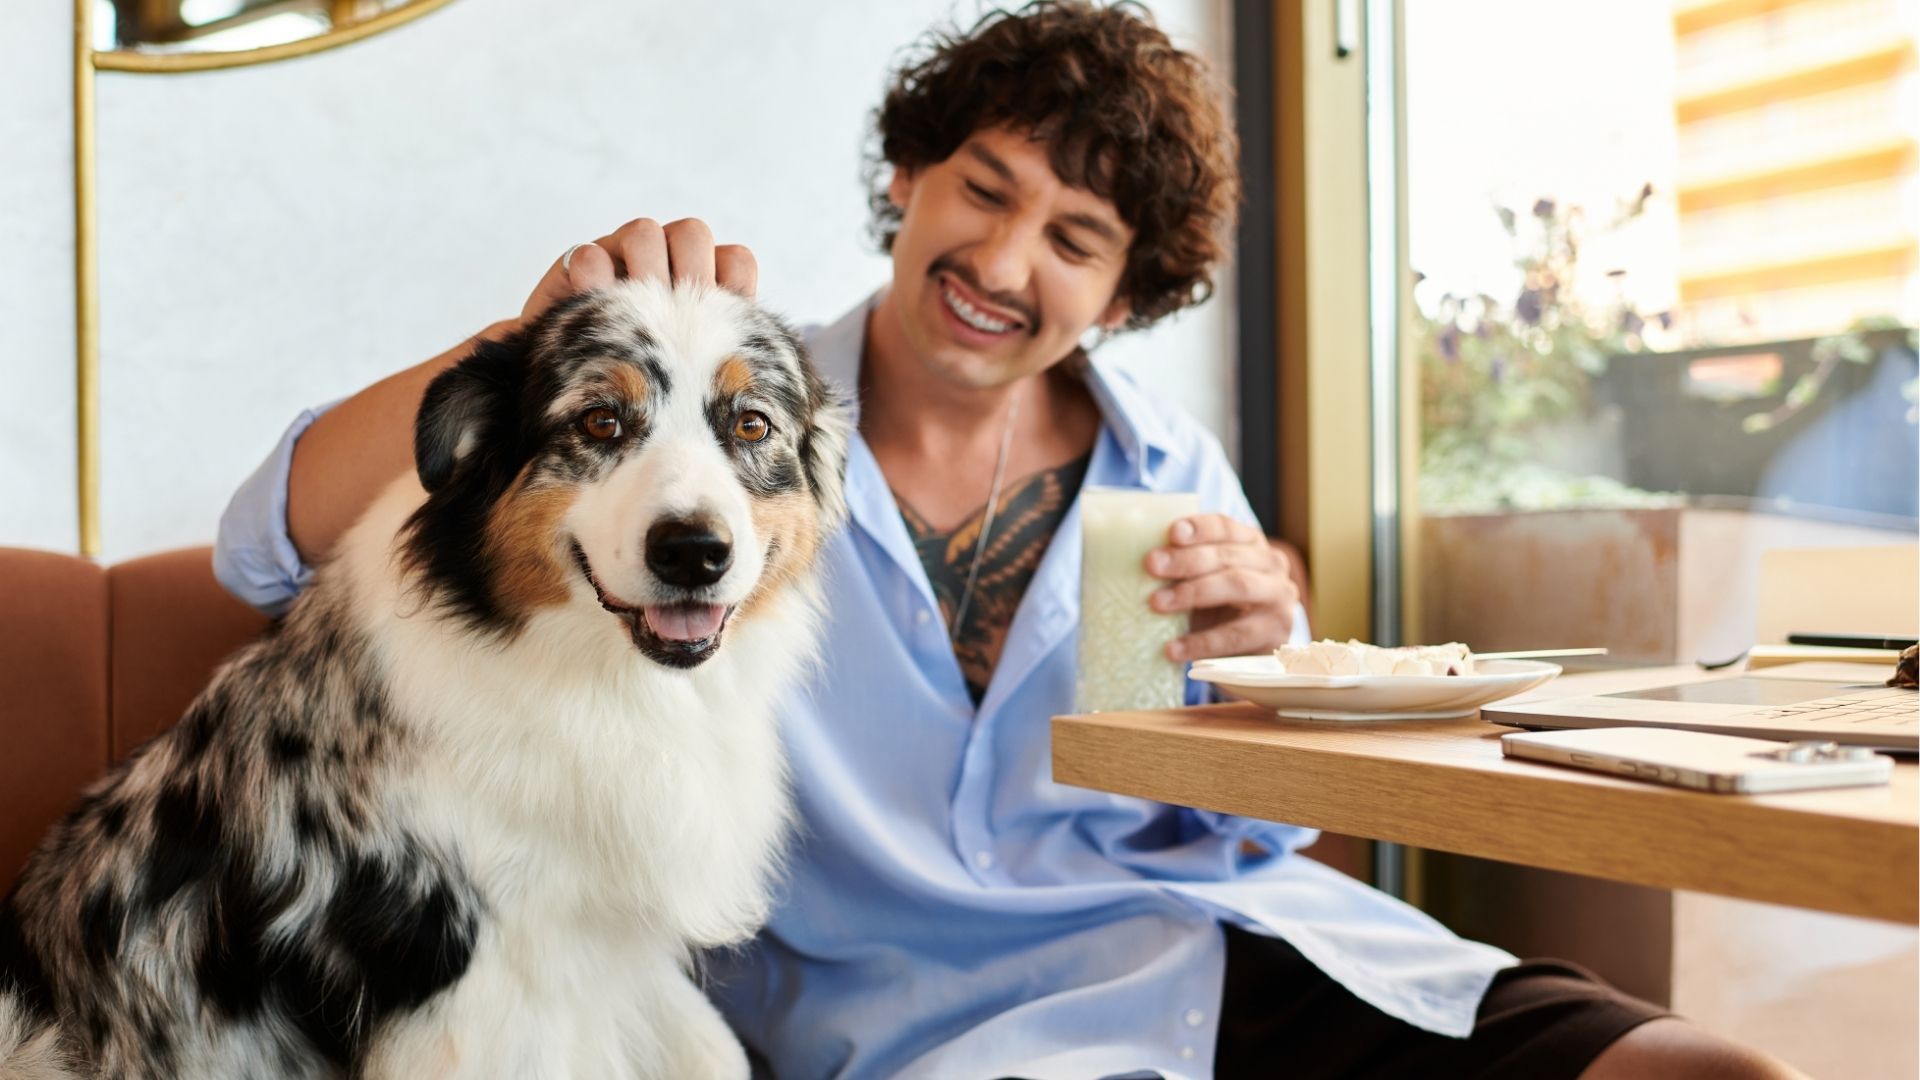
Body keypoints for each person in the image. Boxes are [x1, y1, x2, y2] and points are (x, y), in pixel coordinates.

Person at [214, 3, 1804, 1077]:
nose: (1003, 257)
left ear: (1127, 296)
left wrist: (1266, 689)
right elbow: (260, 548)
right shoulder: (720, 438)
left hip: (1217, 955)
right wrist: (522, 337)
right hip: (914, 1024)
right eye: (982, 189)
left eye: (1077, 239)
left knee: (1706, 1070)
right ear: (905, 178)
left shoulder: (1170, 474)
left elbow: (1233, 843)